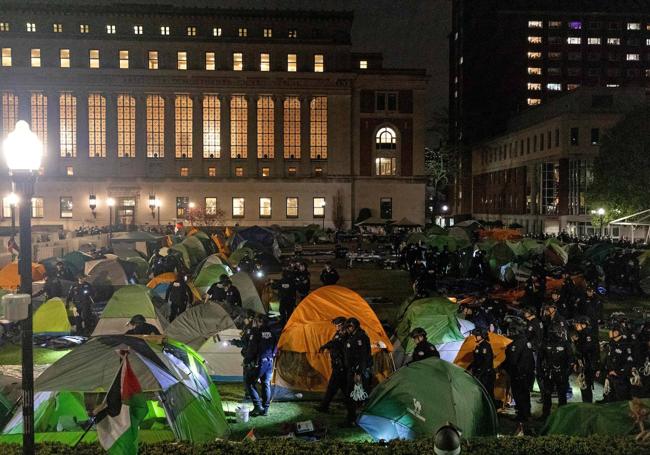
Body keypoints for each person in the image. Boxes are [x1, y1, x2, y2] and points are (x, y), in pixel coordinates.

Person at [242, 315, 277, 417]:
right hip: (270, 361)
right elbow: (276, 348)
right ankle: (265, 409)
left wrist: (247, 360)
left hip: (260, 362)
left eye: (257, 321)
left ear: (260, 322)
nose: (255, 323)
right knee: (266, 383)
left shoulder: (257, 333)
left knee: (249, 382)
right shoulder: (273, 333)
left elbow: (252, 349)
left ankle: (258, 406)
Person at [503, 318, 535, 421]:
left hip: (518, 374)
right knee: (525, 394)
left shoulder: (516, 343)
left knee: (519, 394)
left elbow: (512, 360)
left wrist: (506, 368)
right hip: (527, 373)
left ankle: (522, 415)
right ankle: (527, 413)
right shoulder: (525, 341)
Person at [539, 326, 574, 419]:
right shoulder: (545, 343)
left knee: (562, 395)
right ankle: (545, 414)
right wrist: (540, 372)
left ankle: (562, 415)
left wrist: (567, 372)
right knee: (547, 394)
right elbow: (540, 359)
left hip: (561, 373)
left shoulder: (565, 344)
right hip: (549, 373)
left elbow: (570, 358)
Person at [342, 317, 372, 427]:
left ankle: (352, 420)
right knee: (353, 395)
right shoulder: (352, 336)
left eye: (349, 327)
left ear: (353, 327)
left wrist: (358, 372)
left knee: (354, 395)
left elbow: (363, 356)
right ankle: (353, 418)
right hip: (353, 370)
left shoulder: (360, 337)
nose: (347, 329)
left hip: (357, 371)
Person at [316, 317, 348, 413]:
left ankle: (324, 407)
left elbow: (337, 344)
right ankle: (352, 405)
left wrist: (327, 346)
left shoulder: (346, 335)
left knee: (332, 387)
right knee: (344, 387)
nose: (336, 328)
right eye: (336, 326)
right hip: (337, 364)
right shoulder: (339, 334)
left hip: (341, 366)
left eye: (338, 325)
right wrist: (324, 346)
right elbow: (333, 342)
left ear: (343, 325)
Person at [571, 316, 600, 403]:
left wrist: (575, 342)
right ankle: (586, 403)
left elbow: (585, 350)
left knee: (586, 386)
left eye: (578, 324)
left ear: (584, 325)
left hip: (589, 364)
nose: (576, 326)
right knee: (583, 386)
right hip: (584, 363)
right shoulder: (582, 334)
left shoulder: (588, 335)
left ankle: (588, 405)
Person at [603, 323, 634, 402]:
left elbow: (629, 362)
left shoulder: (625, 344)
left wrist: (618, 372)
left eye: (611, 331)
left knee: (622, 401)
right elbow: (609, 358)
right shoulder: (612, 343)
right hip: (611, 375)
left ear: (616, 332)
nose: (609, 332)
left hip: (621, 378)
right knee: (611, 400)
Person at [468, 327, 495, 402]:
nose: (475, 337)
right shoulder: (478, 346)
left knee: (487, 393)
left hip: (485, 374)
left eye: (476, 335)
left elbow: (487, 361)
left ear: (481, 336)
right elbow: (476, 360)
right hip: (480, 373)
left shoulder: (485, 346)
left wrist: (481, 372)